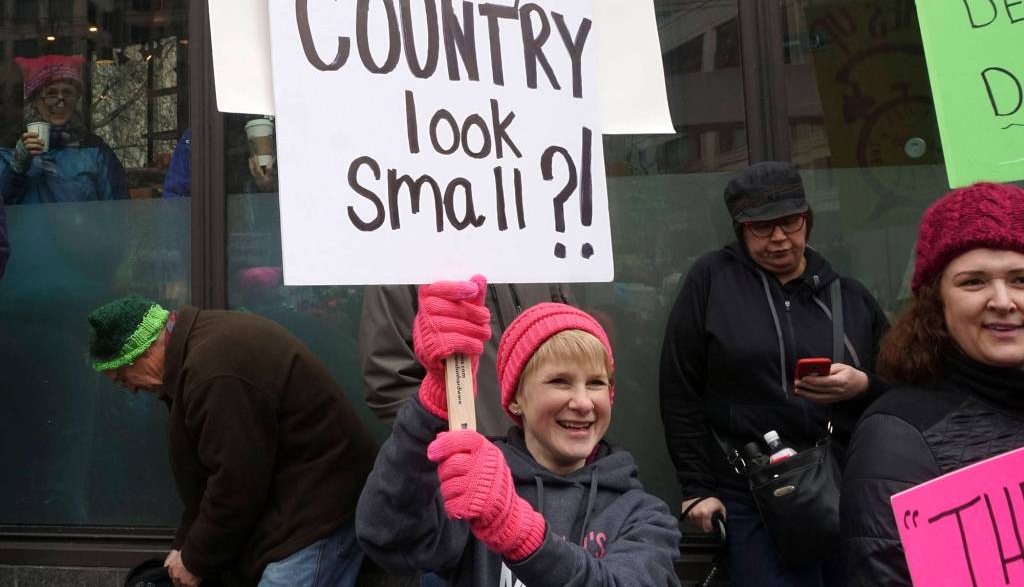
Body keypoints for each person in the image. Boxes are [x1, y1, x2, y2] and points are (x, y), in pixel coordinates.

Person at [356, 276, 681, 586]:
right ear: (514, 400)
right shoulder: (476, 493)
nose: (583, 402)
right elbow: (387, 537)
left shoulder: (643, 515)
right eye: (559, 381)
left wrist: (519, 533)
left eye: (596, 383)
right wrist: (433, 405)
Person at [659, 161, 889, 587]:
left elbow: (902, 391)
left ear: (808, 219)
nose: (779, 237)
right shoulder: (712, 281)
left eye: (790, 221)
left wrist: (863, 385)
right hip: (750, 494)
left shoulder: (850, 297)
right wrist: (696, 487)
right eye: (761, 227)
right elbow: (680, 387)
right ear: (740, 229)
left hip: (844, 489)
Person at [88, 295, 377, 587]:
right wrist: (185, 545)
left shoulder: (212, 369)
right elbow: (212, 476)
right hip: (299, 500)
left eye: (124, 378)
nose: (132, 390)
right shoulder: (199, 352)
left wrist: (195, 558)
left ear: (143, 352)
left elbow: (236, 482)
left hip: (319, 511)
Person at [841, 181, 1024, 586]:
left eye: (1020, 279)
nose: (1003, 300)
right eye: (973, 281)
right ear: (935, 304)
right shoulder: (898, 435)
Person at [360, 282, 571, 435]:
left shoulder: (540, 240)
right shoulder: (406, 250)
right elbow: (389, 380)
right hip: (467, 467)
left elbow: (580, 351)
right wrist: (456, 446)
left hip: (552, 465)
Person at [0, 54, 128, 204]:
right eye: (51, 94)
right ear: (34, 101)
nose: (61, 103)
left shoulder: (94, 150)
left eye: (68, 93)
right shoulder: (9, 150)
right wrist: (17, 167)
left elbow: (118, 208)